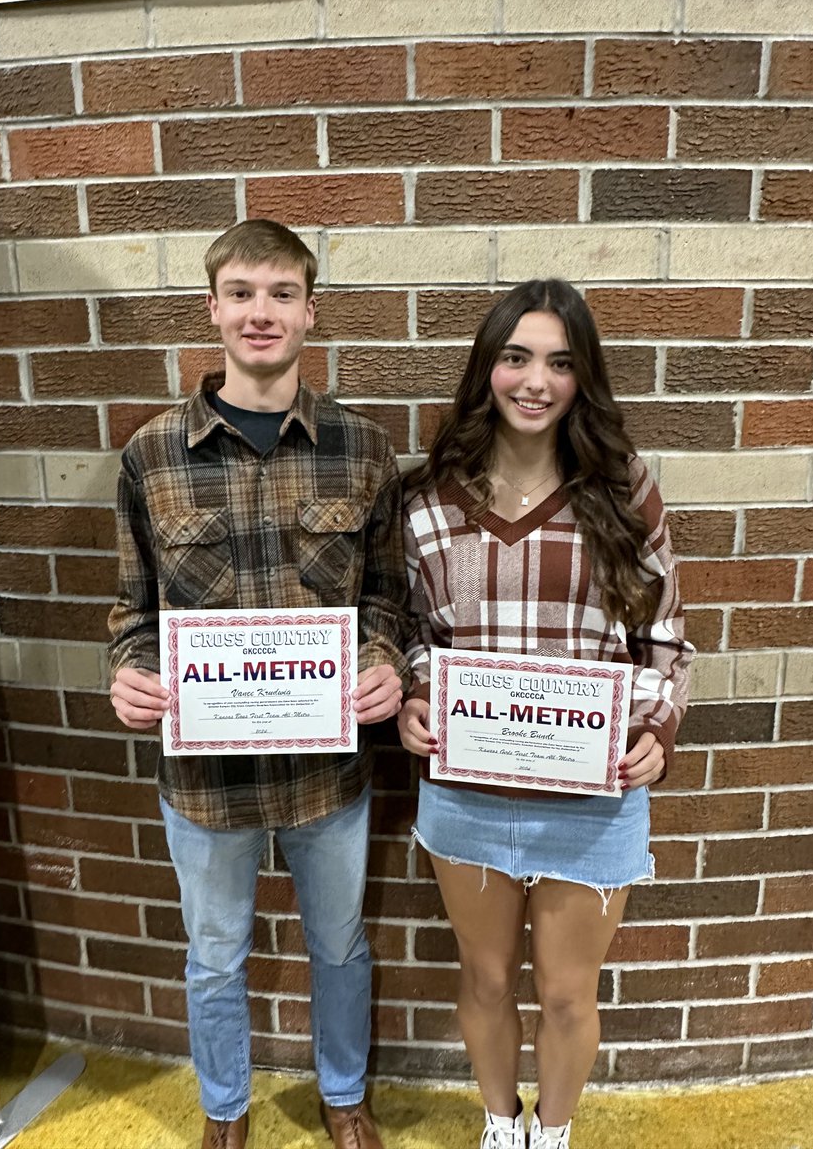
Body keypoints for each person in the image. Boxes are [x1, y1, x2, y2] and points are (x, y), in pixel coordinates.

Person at [108, 219, 411, 1149]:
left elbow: (391, 599)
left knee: (340, 947)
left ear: (311, 313)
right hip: (206, 782)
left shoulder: (363, 452)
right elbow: (133, 610)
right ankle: (225, 1111)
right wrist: (129, 675)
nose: (260, 312)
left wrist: (385, 666)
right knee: (213, 960)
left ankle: (344, 1094)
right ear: (212, 308)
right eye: (240, 293)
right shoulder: (151, 455)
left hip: (328, 773)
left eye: (281, 294)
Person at [397, 279, 693, 1149]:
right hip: (470, 788)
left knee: (567, 994)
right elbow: (415, 633)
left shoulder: (624, 488)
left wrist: (652, 732)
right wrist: (418, 699)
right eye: (516, 356)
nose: (536, 380)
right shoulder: (429, 498)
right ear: (487, 369)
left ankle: (552, 1134)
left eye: (561, 362)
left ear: (582, 379)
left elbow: (666, 636)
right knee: (485, 980)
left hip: (591, 794)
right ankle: (499, 1124)